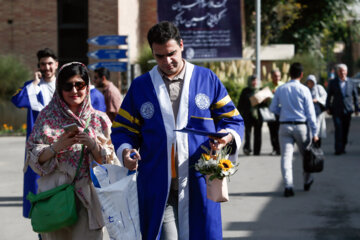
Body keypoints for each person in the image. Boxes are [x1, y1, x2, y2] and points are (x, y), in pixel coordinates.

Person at [111, 21, 244, 239]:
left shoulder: (206, 79)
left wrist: (227, 137)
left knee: (201, 234)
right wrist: (125, 151)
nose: (167, 61)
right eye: (159, 56)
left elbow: (232, 120)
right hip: (156, 182)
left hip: (199, 179)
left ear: (181, 45)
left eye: (171, 53)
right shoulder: (141, 86)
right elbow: (123, 130)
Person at [25, 62, 119, 239]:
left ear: (87, 86)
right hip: (54, 198)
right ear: (59, 88)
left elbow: (108, 164)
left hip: (88, 200)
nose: (74, 91)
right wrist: (56, 147)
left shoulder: (100, 120)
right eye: (68, 86)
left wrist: (92, 144)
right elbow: (33, 156)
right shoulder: (46, 117)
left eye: (80, 85)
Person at [11, 48, 58, 218]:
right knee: (38, 183)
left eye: (50, 63)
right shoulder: (31, 87)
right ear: (38, 66)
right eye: (43, 64)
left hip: (61, 141)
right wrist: (35, 84)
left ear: (56, 65)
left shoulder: (65, 85)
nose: (47, 67)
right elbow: (17, 100)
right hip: (38, 143)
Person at [269, 62, 318, 197]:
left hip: (284, 125)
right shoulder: (304, 90)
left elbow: (272, 108)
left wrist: (283, 111)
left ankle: (288, 185)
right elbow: (310, 113)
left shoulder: (281, 89)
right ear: (301, 75)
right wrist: (315, 132)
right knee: (306, 156)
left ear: (289, 74)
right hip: (301, 126)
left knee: (286, 157)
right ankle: (307, 180)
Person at [325, 63, 359, 155]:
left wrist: (357, 109)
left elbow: (355, 96)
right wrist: (327, 107)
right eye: (340, 71)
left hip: (348, 110)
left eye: (343, 71)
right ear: (337, 72)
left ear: (346, 72)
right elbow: (329, 96)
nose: (342, 73)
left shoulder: (351, 82)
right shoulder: (333, 82)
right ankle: (338, 149)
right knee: (338, 128)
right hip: (336, 110)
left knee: (345, 129)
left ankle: (343, 146)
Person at [237, 75, 263, 155]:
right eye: (253, 81)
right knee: (248, 133)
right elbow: (240, 103)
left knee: (258, 133)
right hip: (247, 115)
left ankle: (257, 151)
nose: (254, 83)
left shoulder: (261, 90)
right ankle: (247, 149)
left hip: (258, 115)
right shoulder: (246, 91)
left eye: (256, 81)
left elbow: (265, 104)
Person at [264, 69, 284, 155]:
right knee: (272, 131)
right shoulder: (267, 86)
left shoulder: (283, 86)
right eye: (275, 76)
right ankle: (274, 148)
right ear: (271, 77)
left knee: (280, 131)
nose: (277, 78)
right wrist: (269, 94)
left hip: (281, 112)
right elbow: (262, 100)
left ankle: (280, 148)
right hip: (271, 112)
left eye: (278, 76)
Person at [305, 75, 327, 146]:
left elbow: (325, 97)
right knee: (310, 131)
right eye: (309, 82)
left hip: (318, 113)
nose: (310, 84)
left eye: (312, 82)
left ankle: (317, 146)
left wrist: (317, 100)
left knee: (318, 130)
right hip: (308, 114)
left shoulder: (319, 88)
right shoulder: (305, 89)